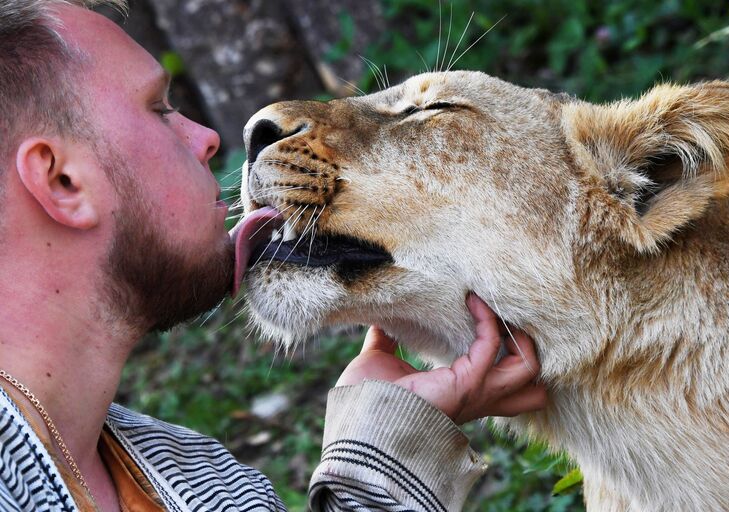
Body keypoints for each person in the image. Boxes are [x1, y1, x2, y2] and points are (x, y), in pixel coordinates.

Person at [0, 1, 547, 511]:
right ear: (63, 181)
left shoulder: (212, 480)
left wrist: (382, 440)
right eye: (159, 109)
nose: (209, 137)